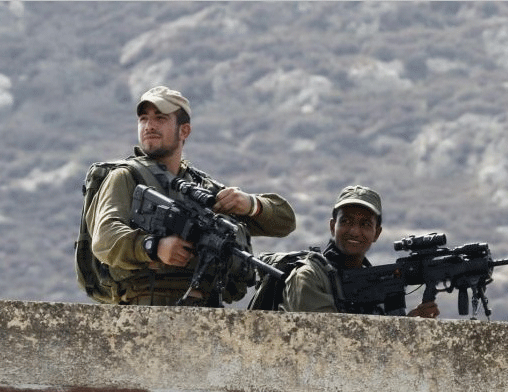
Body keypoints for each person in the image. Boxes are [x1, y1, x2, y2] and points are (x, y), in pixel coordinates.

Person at [85, 86, 296, 306]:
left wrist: (251, 205)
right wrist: (154, 247)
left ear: (184, 131)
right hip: (144, 307)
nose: (149, 126)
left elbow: (285, 222)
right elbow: (105, 239)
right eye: (143, 119)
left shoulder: (200, 187)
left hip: (207, 308)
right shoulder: (126, 177)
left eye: (160, 118)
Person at [280, 185, 439, 318]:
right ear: (332, 227)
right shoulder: (309, 276)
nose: (355, 231)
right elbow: (325, 339)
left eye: (365, 224)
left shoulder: (377, 284)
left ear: (377, 233)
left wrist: (411, 325)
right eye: (346, 221)